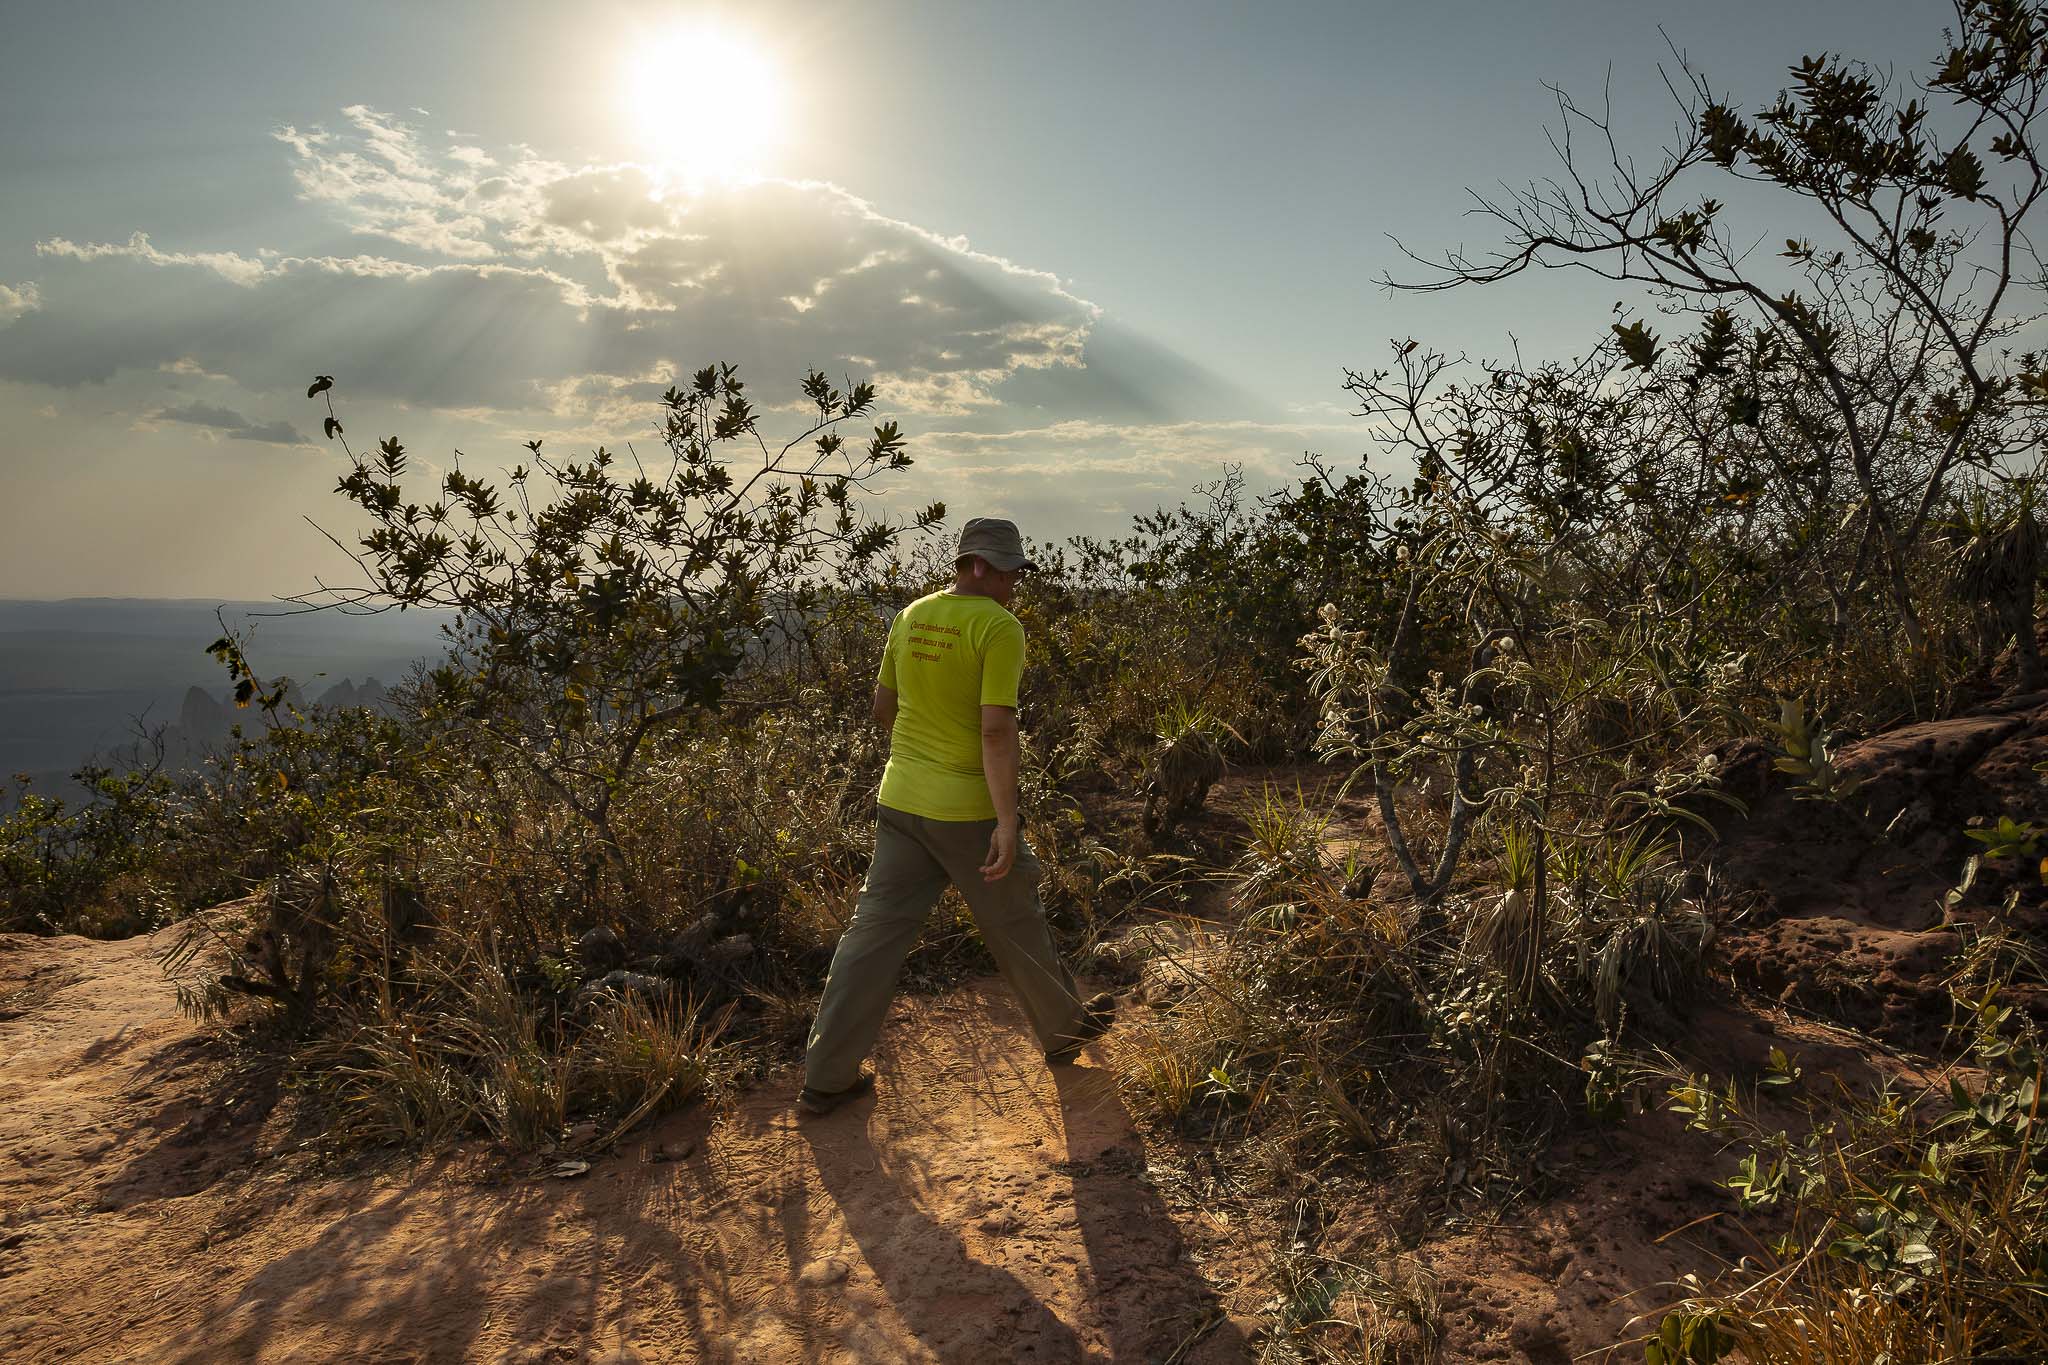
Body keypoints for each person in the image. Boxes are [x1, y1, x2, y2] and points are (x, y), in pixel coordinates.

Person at [799, 517, 1115, 1115]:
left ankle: (826, 1076)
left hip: (900, 802)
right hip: (965, 809)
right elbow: (996, 732)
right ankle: (1063, 1031)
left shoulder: (913, 614)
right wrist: (1005, 820)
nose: (1013, 584)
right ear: (976, 566)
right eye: (1005, 572)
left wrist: (923, 760)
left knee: (871, 936)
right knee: (1015, 919)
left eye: (1016, 573)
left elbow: (883, 707)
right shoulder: (999, 629)